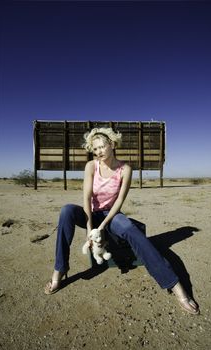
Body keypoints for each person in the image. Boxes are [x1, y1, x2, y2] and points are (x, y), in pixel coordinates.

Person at [44, 127, 199, 315]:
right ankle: (60, 270)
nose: (99, 152)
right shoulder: (91, 166)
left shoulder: (125, 169)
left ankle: (174, 285)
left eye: (102, 147)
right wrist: (89, 229)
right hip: (91, 214)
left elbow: (118, 202)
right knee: (67, 210)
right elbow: (86, 198)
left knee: (130, 229)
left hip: (112, 214)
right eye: (95, 149)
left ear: (112, 145)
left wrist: (102, 227)